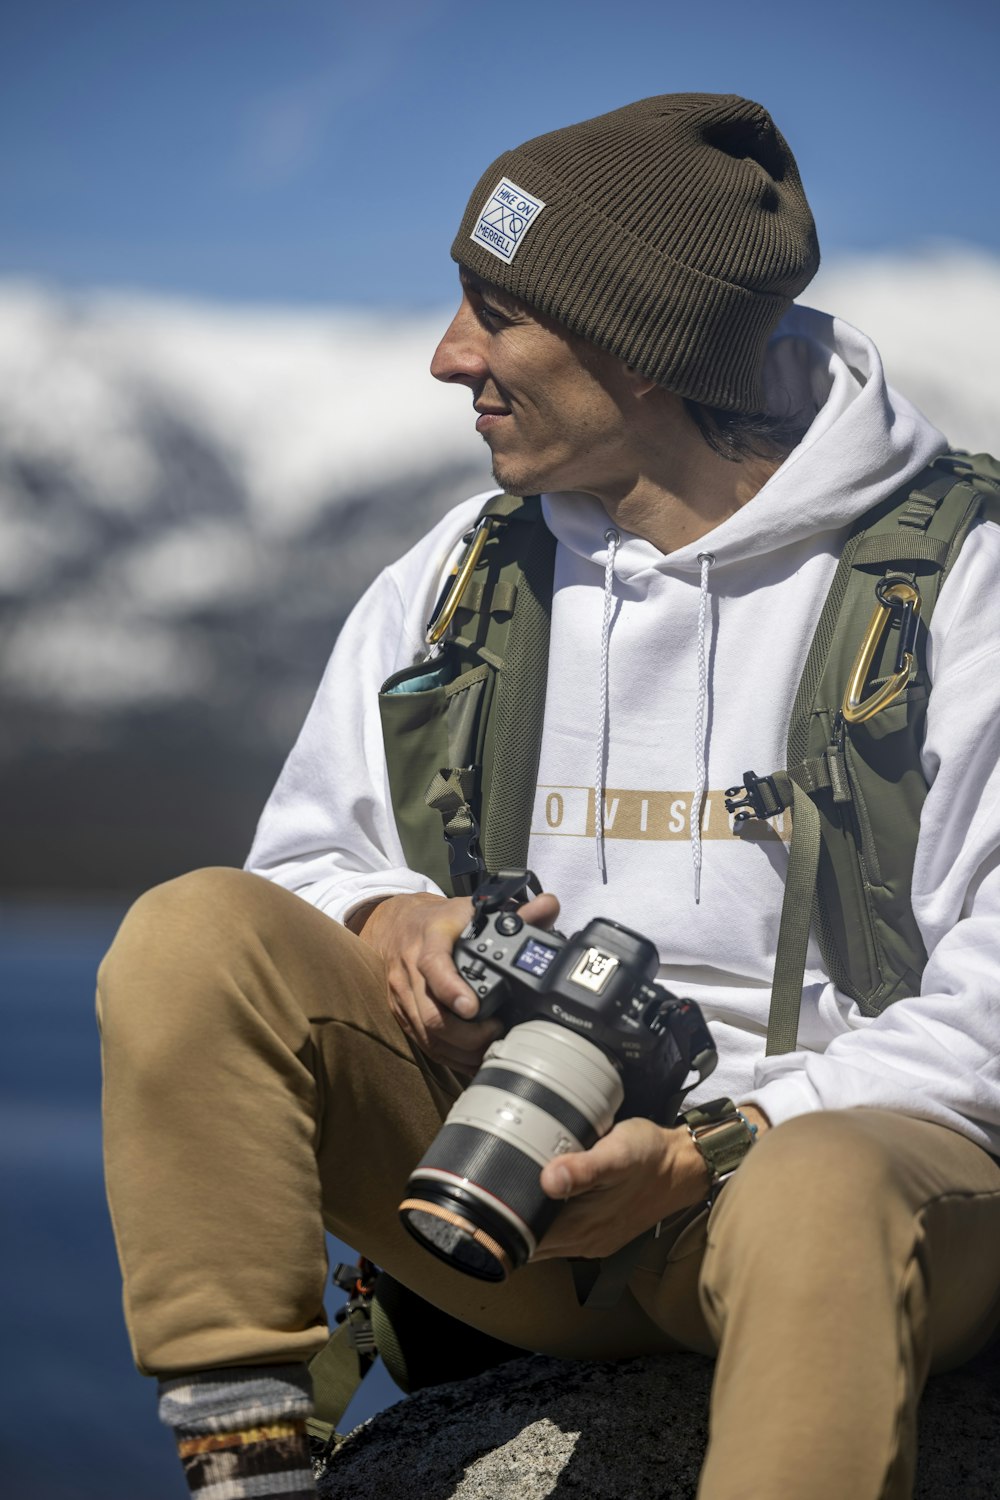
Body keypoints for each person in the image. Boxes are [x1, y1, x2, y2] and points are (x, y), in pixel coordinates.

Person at [98, 93, 1000, 1500]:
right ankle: (252, 1459)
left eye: (495, 314)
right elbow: (303, 861)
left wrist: (714, 1147)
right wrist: (387, 911)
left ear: (640, 346)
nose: (449, 356)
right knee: (193, 935)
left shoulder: (959, 587)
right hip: (512, 1199)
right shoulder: (469, 570)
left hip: (818, 1193)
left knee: (823, 1197)